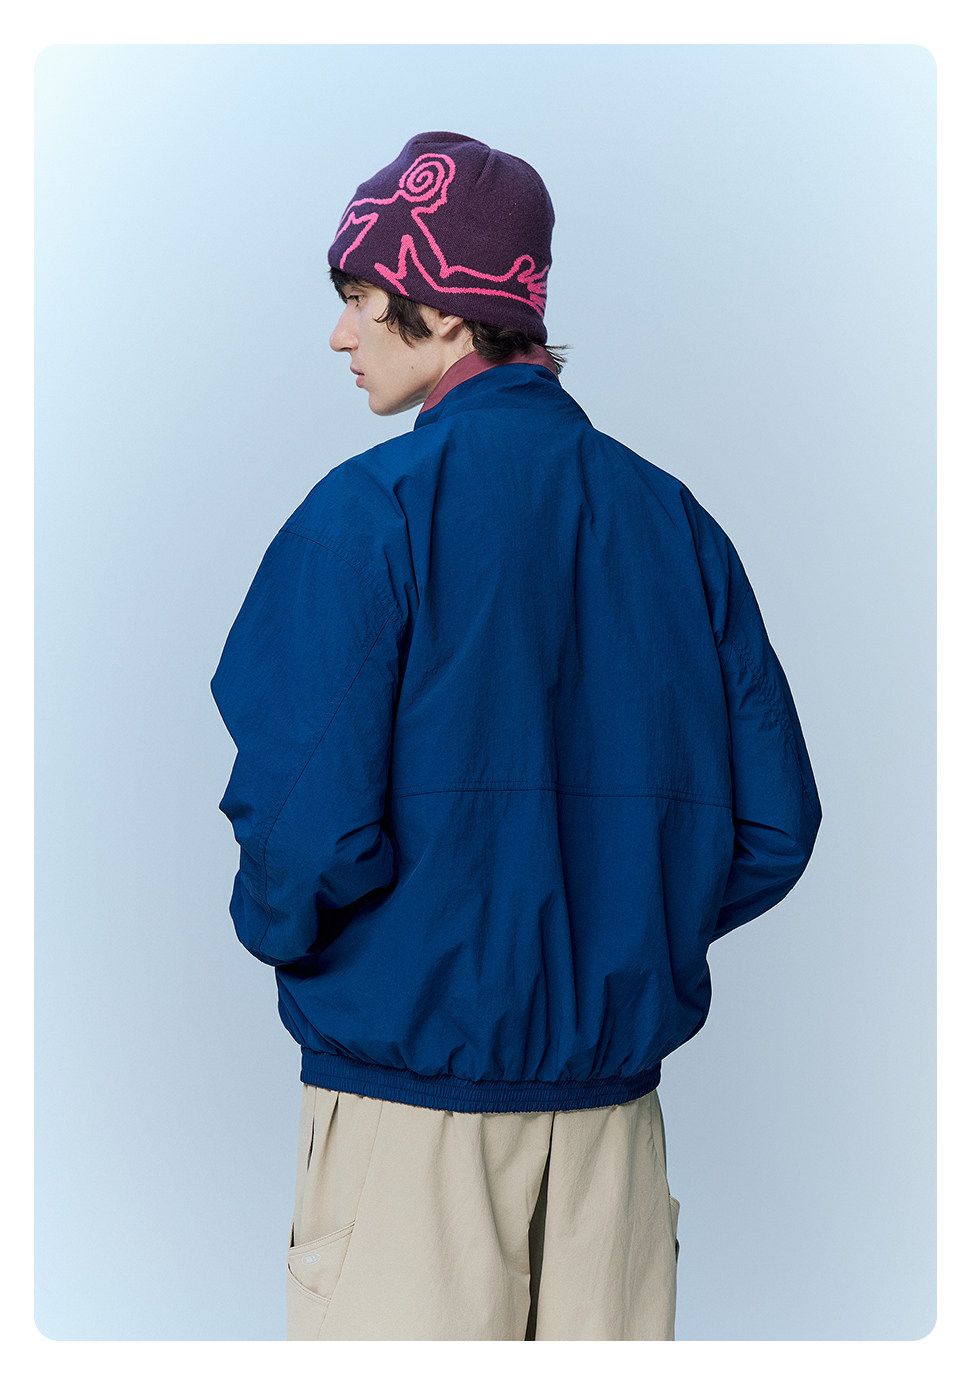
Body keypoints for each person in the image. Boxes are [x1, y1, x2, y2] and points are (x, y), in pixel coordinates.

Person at [211, 130, 822, 1342]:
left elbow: (296, 829)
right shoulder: (676, 525)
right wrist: (615, 935)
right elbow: (774, 824)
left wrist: (320, 953)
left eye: (360, 299)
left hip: (409, 1129)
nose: (340, 334)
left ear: (444, 312)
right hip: (614, 1146)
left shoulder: (367, 518)